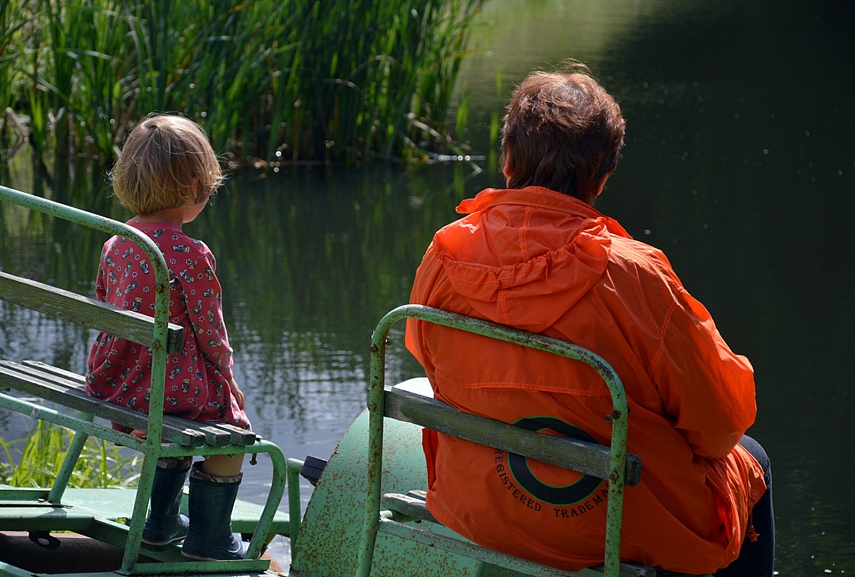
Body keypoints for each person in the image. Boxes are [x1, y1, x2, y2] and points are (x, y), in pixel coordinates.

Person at [405, 63, 774, 576]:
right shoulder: (635, 275)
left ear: (508, 160)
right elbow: (720, 426)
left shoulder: (445, 255)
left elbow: (427, 358)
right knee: (752, 457)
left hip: (482, 510)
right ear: (601, 178)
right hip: (613, 528)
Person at [86, 114, 249, 561]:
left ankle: (159, 522)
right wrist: (229, 381)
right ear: (196, 186)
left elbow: (105, 304)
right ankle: (210, 539)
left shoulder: (117, 241)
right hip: (163, 391)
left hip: (117, 383)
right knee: (233, 430)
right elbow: (211, 334)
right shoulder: (190, 253)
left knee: (179, 408)